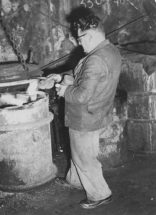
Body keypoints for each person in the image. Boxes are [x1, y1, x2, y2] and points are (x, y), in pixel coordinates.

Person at [39, 13, 122, 209]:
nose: (78, 43)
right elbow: (83, 76)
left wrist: (62, 90)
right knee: (79, 153)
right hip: (98, 111)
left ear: (91, 35)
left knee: (84, 158)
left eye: (80, 38)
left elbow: (82, 95)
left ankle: (100, 194)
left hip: (85, 116)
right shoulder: (110, 51)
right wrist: (59, 77)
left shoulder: (95, 59)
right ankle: (75, 181)